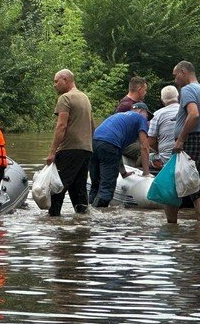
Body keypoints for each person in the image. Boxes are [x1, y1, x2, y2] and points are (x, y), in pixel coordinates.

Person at [165, 60, 200, 224]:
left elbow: (194, 114)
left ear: (183, 72)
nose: (175, 80)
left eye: (176, 75)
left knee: (172, 187)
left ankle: (171, 228)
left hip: (190, 143)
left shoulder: (188, 90)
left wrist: (180, 139)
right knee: (198, 191)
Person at [45, 69, 95, 216]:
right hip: (86, 149)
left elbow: (61, 126)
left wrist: (52, 152)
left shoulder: (65, 98)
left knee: (57, 187)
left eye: (56, 81)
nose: (54, 85)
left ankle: (52, 219)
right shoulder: (85, 98)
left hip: (69, 149)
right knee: (78, 188)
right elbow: (92, 126)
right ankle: (82, 219)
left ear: (65, 79)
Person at [89, 103, 153, 207]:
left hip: (94, 142)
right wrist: (146, 173)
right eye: (148, 116)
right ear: (141, 111)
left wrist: (123, 173)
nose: (148, 120)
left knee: (95, 185)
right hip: (109, 145)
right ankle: (99, 220)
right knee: (107, 188)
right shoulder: (140, 119)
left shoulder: (119, 116)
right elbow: (144, 147)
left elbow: (118, 151)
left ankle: (85, 215)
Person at [148, 85, 180, 169]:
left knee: (144, 157)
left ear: (162, 99)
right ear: (178, 96)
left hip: (164, 160)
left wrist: (159, 150)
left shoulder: (157, 114)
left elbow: (151, 141)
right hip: (185, 158)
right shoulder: (186, 110)